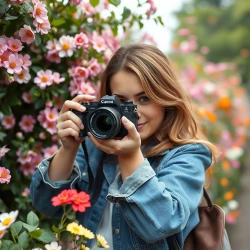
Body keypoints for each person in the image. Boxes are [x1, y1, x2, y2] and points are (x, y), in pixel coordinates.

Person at [30, 43, 218, 250]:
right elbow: (46, 204)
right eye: (121, 101)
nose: (134, 112)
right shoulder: (96, 148)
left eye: (144, 98)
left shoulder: (188, 154)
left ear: (165, 98)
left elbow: (161, 224)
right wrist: (68, 149)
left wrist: (130, 156)